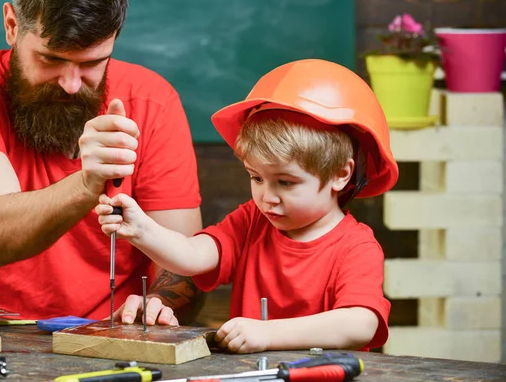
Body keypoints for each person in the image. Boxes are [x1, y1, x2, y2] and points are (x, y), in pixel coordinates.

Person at [0, 0, 205, 324]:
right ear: (12, 26)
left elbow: (186, 260)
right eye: (51, 59)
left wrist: (159, 306)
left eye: (92, 63)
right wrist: (88, 184)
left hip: (118, 335)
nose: (71, 83)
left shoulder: (153, 102)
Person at [96, 59, 399, 353]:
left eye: (286, 182)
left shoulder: (356, 246)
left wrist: (268, 333)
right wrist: (140, 229)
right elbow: (192, 257)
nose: (267, 196)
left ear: (340, 174)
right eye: (256, 177)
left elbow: (361, 323)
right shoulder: (253, 221)